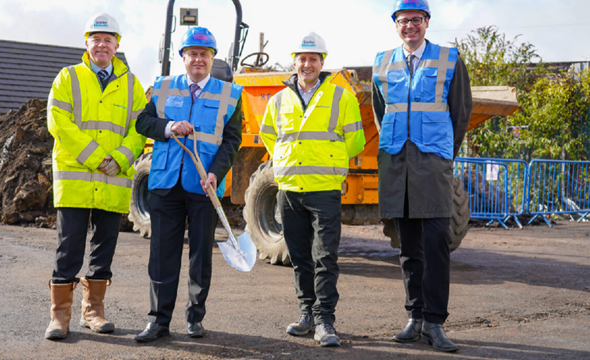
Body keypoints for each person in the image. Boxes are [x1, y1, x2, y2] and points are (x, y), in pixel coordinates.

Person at [371, 0, 472, 352]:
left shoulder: (449, 59)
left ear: (427, 22)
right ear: (395, 24)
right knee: (408, 247)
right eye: (403, 20)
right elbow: (380, 112)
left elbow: (460, 114)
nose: (409, 26)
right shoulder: (382, 62)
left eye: (416, 19)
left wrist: (443, 154)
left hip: (432, 164)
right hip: (397, 163)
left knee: (436, 245)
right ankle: (414, 317)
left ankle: (435, 322)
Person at [133, 26, 243, 342]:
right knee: (162, 255)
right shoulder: (163, 87)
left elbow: (232, 142)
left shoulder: (230, 94)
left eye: (204, 54)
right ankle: (158, 321)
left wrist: (216, 174)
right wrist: (168, 126)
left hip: (204, 186)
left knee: (199, 257)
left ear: (212, 58)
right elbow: (143, 122)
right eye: (192, 53)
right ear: (182, 57)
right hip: (166, 184)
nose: (198, 59)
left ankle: (195, 318)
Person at [45, 13, 147, 340]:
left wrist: (119, 159)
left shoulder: (132, 84)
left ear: (117, 45)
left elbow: (138, 129)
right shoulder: (68, 77)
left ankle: (94, 312)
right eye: (96, 39)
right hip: (76, 179)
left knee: (103, 251)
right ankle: (60, 317)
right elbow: (58, 122)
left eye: (108, 39)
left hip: (113, 179)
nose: (102, 45)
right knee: (69, 249)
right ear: (86, 42)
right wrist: (95, 157)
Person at [259, 32, 366, 347]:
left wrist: (328, 164)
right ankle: (306, 313)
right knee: (299, 256)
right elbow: (270, 138)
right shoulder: (278, 100)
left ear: (323, 63)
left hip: (324, 190)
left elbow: (355, 141)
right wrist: (287, 164)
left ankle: (325, 321)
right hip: (289, 189)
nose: (307, 64)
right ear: (294, 61)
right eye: (302, 59)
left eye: (313, 59)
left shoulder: (340, 97)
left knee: (325, 257)